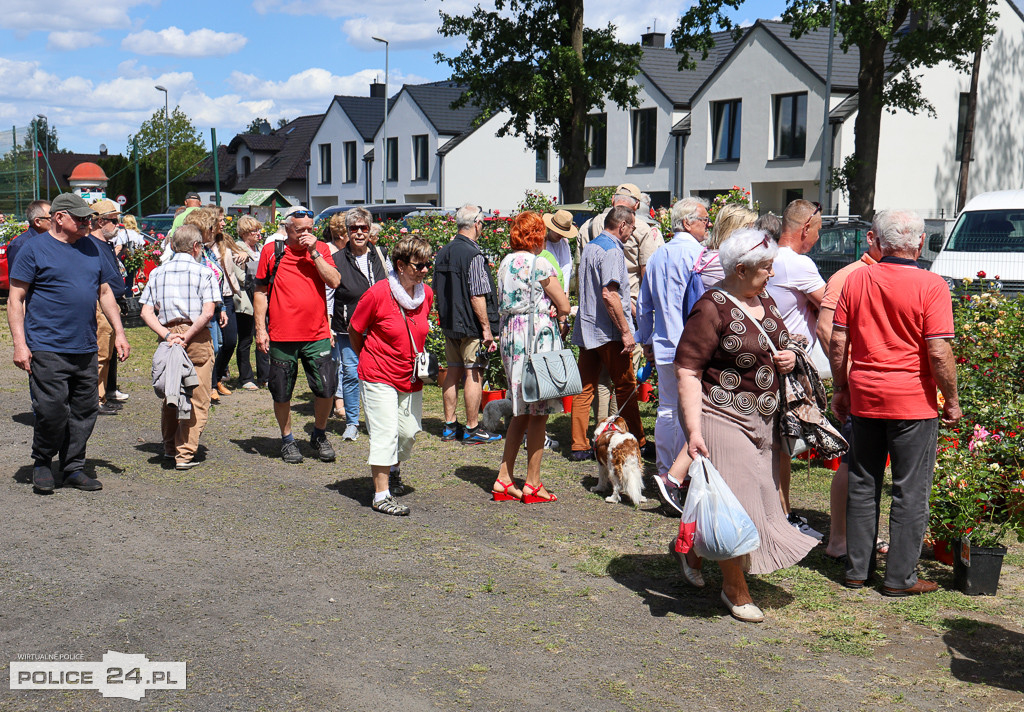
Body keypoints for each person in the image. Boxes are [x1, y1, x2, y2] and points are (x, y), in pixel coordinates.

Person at [673, 228, 817, 622]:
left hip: (764, 419)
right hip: (721, 416)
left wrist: (788, 355)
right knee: (741, 504)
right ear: (740, 269)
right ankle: (734, 589)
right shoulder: (710, 308)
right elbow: (686, 370)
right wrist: (694, 431)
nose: (772, 274)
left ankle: (688, 546)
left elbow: (780, 340)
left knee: (762, 499)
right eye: (766, 268)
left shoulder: (762, 299)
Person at [830, 210, 961, 597]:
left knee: (863, 481)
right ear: (920, 243)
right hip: (912, 403)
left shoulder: (856, 280)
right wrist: (951, 400)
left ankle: (857, 571)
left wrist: (841, 387)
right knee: (909, 490)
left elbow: (839, 342)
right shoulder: (931, 285)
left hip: (865, 397)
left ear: (879, 242)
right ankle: (899, 577)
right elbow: (938, 351)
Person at [7, 193, 130, 493]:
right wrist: (20, 345)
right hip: (46, 345)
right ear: (59, 217)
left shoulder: (91, 247)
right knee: (51, 410)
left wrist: (120, 332)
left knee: (85, 410)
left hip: (86, 346)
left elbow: (104, 292)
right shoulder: (33, 249)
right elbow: (15, 299)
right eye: (81, 218)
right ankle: (42, 461)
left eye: (89, 218)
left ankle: (73, 467)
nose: (88, 223)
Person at [348, 236, 435, 516]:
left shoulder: (426, 295)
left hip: (410, 377)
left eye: (427, 264)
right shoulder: (377, 293)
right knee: (384, 433)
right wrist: (367, 357)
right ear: (399, 264)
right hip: (377, 373)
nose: (424, 270)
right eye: (418, 265)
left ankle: (393, 467)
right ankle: (381, 495)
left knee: (408, 433)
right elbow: (355, 329)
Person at [492, 212, 574, 502]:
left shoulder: (504, 263)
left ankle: (504, 477)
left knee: (521, 410)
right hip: (535, 337)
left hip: (512, 336)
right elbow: (563, 303)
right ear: (537, 236)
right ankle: (533, 482)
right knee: (538, 412)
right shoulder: (540, 264)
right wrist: (557, 309)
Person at [635, 197, 709, 512]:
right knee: (694, 412)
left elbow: (644, 302)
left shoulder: (658, 255)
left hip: (665, 343)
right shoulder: (701, 257)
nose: (708, 225)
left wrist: (645, 338)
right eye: (705, 220)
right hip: (694, 346)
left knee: (667, 409)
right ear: (688, 222)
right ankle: (684, 476)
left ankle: (666, 470)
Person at [816, 223, 884, 561]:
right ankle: (839, 539)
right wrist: (845, 376)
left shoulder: (882, 273)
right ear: (871, 238)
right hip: (859, 381)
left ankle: (858, 536)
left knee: (865, 461)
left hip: (876, 383)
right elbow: (825, 327)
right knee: (851, 461)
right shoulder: (848, 276)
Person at [254, 209, 341, 464]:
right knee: (281, 391)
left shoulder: (322, 249)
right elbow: (260, 292)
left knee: (326, 388)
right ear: (287, 228)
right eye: (299, 229)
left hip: (317, 333)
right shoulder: (272, 251)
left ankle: (319, 434)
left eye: (309, 229)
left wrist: (314, 252)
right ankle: (288, 439)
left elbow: (335, 281)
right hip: (282, 335)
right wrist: (261, 329)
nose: (305, 234)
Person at [765, 199, 826, 532]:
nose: (817, 239)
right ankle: (782, 516)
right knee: (782, 443)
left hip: (768, 360)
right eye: (817, 231)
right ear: (805, 228)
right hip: (787, 366)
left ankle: (779, 512)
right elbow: (832, 307)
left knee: (777, 442)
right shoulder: (798, 264)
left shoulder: (768, 255)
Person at [569, 206, 647, 460]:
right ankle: (639, 440)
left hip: (588, 327)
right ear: (622, 225)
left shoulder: (591, 246)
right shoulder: (613, 250)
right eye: (632, 228)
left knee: (585, 387)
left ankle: (579, 445)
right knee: (626, 385)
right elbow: (610, 294)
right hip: (609, 332)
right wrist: (626, 331)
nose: (631, 233)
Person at [140, 225, 220, 470]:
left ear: (173, 246)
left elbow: (145, 311)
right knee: (198, 396)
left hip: (168, 335)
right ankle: (184, 453)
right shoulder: (204, 273)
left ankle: (169, 447)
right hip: (194, 335)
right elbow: (208, 312)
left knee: (171, 392)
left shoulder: (157, 273)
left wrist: (167, 334)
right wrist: (186, 336)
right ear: (196, 247)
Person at [434, 204, 503, 445]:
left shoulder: (443, 251)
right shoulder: (473, 254)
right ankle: (473, 428)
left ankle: (450, 426)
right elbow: (477, 294)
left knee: (452, 372)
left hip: (450, 322)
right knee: (474, 373)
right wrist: (486, 329)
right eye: (483, 223)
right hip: (471, 325)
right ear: (476, 224)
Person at [332, 207, 388, 441]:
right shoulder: (336, 260)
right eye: (353, 228)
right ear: (347, 232)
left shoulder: (381, 255)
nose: (358, 233)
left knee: (379, 377)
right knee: (352, 375)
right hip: (348, 327)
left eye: (363, 228)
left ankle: (377, 421)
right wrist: (327, 325)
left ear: (369, 230)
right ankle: (352, 422)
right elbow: (328, 295)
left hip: (378, 328)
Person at [184, 209, 230, 403]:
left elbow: (216, 278)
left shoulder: (207, 250)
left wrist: (222, 308)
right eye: (211, 226)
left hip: (214, 307)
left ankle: (207, 386)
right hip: (200, 310)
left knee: (217, 347)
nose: (215, 230)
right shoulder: (194, 252)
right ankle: (200, 390)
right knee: (206, 351)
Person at [89, 199, 129, 416]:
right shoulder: (92, 245)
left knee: (106, 354)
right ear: (100, 221)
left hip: (111, 304)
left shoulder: (103, 244)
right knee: (101, 354)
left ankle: (101, 396)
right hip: (101, 306)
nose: (118, 225)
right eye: (114, 221)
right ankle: (96, 399)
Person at [211, 218, 249, 397]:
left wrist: (243, 255)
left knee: (230, 341)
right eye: (220, 220)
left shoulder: (224, 239)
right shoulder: (203, 244)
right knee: (213, 345)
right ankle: (211, 384)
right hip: (210, 298)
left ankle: (217, 377)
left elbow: (240, 253)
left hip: (226, 295)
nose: (224, 223)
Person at [234, 215, 268, 390]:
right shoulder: (237, 249)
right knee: (246, 338)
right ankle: (246, 377)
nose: (258, 234)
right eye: (254, 231)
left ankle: (265, 375)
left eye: (259, 230)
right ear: (244, 233)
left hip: (262, 297)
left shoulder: (261, 249)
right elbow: (239, 276)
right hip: (246, 299)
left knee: (264, 335)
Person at [696, 203, 757, 287]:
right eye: (750, 229)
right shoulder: (723, 262)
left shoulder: (708, 254)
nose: (755, 235)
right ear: (735, 230)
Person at [5, 199, 51, 270]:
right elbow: (16, 277)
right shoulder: (19, 245)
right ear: (38, 222)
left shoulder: (52, 240)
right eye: (51, 218)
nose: (56, 221)